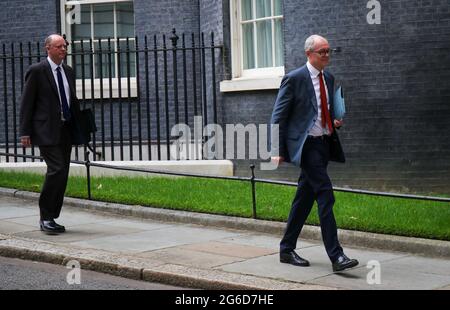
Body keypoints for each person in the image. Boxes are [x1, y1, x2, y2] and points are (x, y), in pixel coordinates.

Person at [270, 35, 358, 272]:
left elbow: (324, 110)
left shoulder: (328, 78)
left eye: (329, 51)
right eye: (323, 51)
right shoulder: (294, 78)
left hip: (323, 144)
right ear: (309, 53)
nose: (327, 55)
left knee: (304, 199)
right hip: (306, 146)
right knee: (325, 195)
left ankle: (286, 249)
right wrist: (276, 150)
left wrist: (334, 121)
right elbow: (278, 116)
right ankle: (337, 256)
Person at [19, 34, 81, 234]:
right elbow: (27, 103)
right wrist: (24, 132)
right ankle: (45, 217)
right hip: (45, 130)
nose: (63, 49)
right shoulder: (37, 71)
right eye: (59, 46)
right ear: (48, 48)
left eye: (65, 46)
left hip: (65, 130)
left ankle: (52, 216)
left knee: (63, 173)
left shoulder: (68, 72)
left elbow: (72, 100)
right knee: (56, 169)